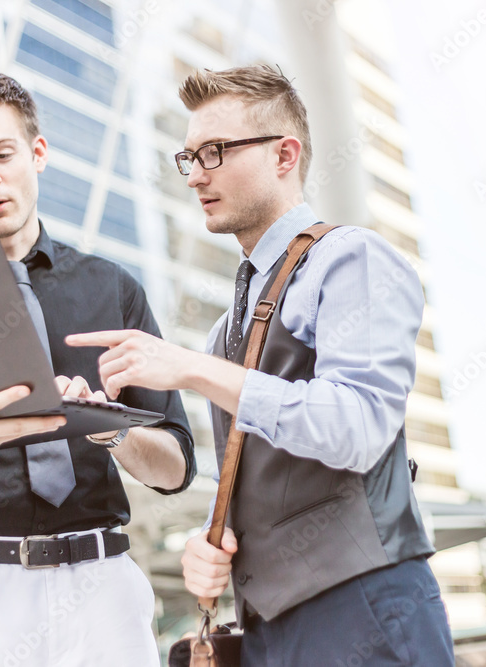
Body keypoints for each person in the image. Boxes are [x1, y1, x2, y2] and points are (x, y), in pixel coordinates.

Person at [67, 65, 455, 664]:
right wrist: (215, 541)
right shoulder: (232, 323)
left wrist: (192, 369)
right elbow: (269, 477)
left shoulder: (351, 259)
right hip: (270, 632)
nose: (196, 175)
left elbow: (358, 428)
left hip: (364, 611)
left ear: (284, 155)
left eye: (216, 152)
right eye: (189, 157)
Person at [0, 69, 195, 667]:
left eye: (2, 153)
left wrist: (109, 426)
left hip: (102, 594)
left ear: (37, 153)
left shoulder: (112, 288)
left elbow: (176, 468)